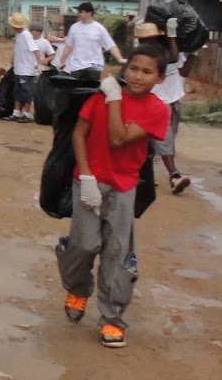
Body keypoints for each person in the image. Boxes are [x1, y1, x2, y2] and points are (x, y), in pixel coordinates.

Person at [57, 46, 170, 349]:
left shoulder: (157, 110)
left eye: (147, 72)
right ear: (125, 68)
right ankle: (78, 289)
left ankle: (112, 318)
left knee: (117, 253)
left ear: (160, 78)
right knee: (85, 244)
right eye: (133, 68)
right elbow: (79, 134)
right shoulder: (98, 99)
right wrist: (86, 175)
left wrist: (115, 98)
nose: (137, 76)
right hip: (88, 182)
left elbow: (117, 138)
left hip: (123, 187)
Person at [135, 19, 195, 194]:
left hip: (174, 98)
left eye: (152, 38)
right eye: (146, 39)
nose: (149, 41)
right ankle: (174, 176)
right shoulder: (147, 54)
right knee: (164, 139)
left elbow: (183, 70)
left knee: (162, 140)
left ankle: (145, 175)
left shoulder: (170, 48)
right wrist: (172, 35)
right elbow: (173, 58)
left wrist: (193, 54)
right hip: (156, 101)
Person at [56, 1, 125, 80]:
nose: (79, 14)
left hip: (94, 67)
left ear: (89, 13)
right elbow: (68, 47)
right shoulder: (74, 28)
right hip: (77, 67)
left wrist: (119, 58)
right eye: (79, 12)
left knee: (91, 90)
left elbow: (110, 45)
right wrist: (61, 62)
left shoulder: (99, 28)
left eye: (82, 12)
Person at [8, 12, 46, 122]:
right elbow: (16, 51)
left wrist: (38, 64)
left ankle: (27, 114)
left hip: (27, 70)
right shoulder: (19, 35)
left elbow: (35, 49)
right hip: (19, 69)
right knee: (18, 92)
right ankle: (16, 112)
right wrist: (11, 63)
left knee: (26, 92)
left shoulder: (26, 35)